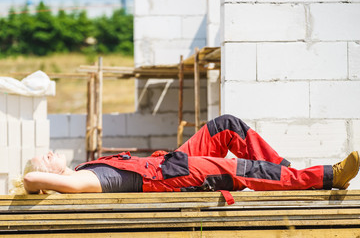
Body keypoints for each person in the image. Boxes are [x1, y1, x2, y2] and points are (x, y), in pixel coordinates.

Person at [19, 115, 360, 201]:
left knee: (226, 126)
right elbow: (32, 180)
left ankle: (287, 173)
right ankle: (326, 177)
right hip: (171, 176)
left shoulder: (82, 168)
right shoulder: (79, 181)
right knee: (241, 170)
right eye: (43, 158)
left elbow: (39, 176)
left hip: (169, 161)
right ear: (50, 178)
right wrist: (32, 183)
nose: (49, 153)